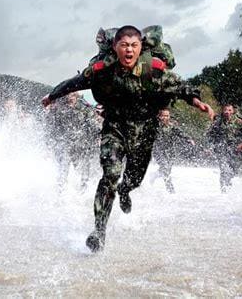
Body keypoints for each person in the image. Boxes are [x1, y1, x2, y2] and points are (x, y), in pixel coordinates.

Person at [42, 25, 214, 252]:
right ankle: (99, 231)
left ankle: (125, 191)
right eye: (124, 45)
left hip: (145, 131)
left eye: (134, 45)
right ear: (115, 47)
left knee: (132, 180)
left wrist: (197, 102)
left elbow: (180, 87)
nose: (129, 50)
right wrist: (52, 96)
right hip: (115, 127)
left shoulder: (152, 69)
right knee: (110, 175)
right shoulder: (103, 69)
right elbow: (75, 83)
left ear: (140, 46)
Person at [45, 92, 100, 193]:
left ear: (76, 96)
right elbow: (52, 128)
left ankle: (84, 191)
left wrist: (98, 138)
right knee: (63, 168)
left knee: (83, 170)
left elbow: (94, 125)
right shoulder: (60, 108)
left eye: (72, 95)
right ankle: (61, 191)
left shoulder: (84, 108)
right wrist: (49, 146)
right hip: (66, 144)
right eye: (68, 95)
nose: (70, 97)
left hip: (82, 144)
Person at [152, 108, 195, 193]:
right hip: (158, 151)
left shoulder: (172, 126)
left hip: (170, 152)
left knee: (167, 169)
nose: (165, 118)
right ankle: (171, 190)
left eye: (167, 116)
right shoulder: (154, 126)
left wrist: (189, 139)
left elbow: (181, 133)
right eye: (163, 116)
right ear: (159, 116)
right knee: (165, 168)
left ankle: (154, 175)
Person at [207, 104, 242, 192]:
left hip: (234, 149)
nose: (227, 112)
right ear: (222, 111)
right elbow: (210, 135)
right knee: (224, 169)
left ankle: (229, 186)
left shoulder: (239, 121)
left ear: (233, 112)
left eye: (229, 110)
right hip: (220, 148)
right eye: (225, 110)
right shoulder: (218, 122)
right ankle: (223, 190)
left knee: (233, 171)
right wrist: (210, 147)